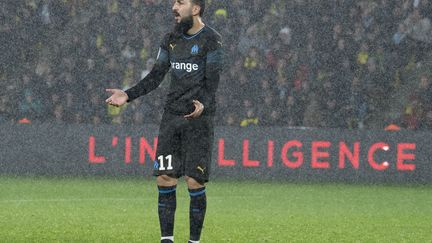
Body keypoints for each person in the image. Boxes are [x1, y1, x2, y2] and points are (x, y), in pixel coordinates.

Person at [105, 0, 223, 242]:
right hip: (172, 117)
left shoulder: (212, 39)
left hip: (198, 121)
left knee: (194, 181)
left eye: (180, 2)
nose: (174, 6)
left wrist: (202, 102)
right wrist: (128, 94)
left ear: (196, 8)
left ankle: (193, 241)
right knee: (165, 177)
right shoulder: (170, 39)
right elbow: (156, 75)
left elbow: (212, 80)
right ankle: (166, 240)